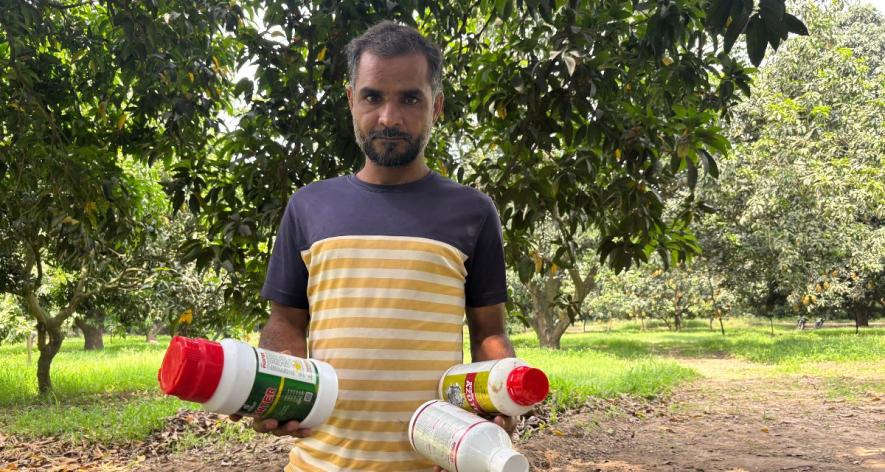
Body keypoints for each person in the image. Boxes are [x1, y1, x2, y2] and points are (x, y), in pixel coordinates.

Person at [251, 21, 518, 472]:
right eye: (373, 96)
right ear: (351, 100)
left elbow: (488, 332)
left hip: (434, 460)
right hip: (318, 464)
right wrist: (274, 387)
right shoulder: (308, 206)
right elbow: (286, 323)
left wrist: (503, 397)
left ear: (437, 107)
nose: (389, 118)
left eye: (410, 98)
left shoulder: (473, 211)